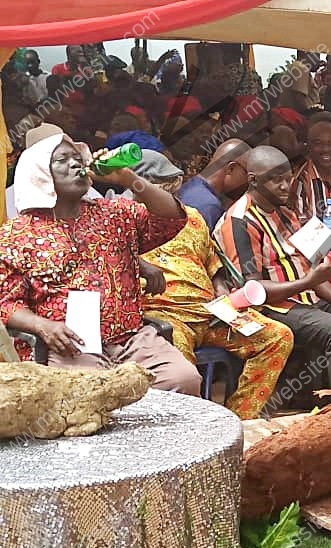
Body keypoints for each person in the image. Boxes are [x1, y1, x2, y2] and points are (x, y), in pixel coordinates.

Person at [0, 132, 200, 393]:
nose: (75, 164)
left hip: (130, 338)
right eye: (62, 160)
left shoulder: (116, 213)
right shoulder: (16, 235)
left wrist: (129, 178)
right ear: (40, 173)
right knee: (88, 395)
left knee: (183, 379)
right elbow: (7, 302)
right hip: (71, 343)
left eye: (76, 158)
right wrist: (43, 326)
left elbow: (171, 217)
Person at [216, 146, 331, 398]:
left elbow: (309, 265)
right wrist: (308, 282)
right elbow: (252, 291)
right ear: (254, 180)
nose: (286, 186)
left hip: (305, 299)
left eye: (288, 179)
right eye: (277, 181)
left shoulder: (287, 211)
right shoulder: (240, 221)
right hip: (273, 307)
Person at [131, 152, 292, 419]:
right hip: (164, 316)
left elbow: (213, 263)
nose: (165, 189)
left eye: (169, 183)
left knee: (277, 336)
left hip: (210, 311)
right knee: (181, 370)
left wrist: (221, 292)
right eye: (157, 184)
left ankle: (240, 418)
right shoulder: (125, 220)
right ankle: (192, 433)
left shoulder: (191, 216)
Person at [178, 138, 251, 232]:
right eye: (247, 175)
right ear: (231, 169)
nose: (248, 184)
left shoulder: (190, 186)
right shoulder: (208, 206)